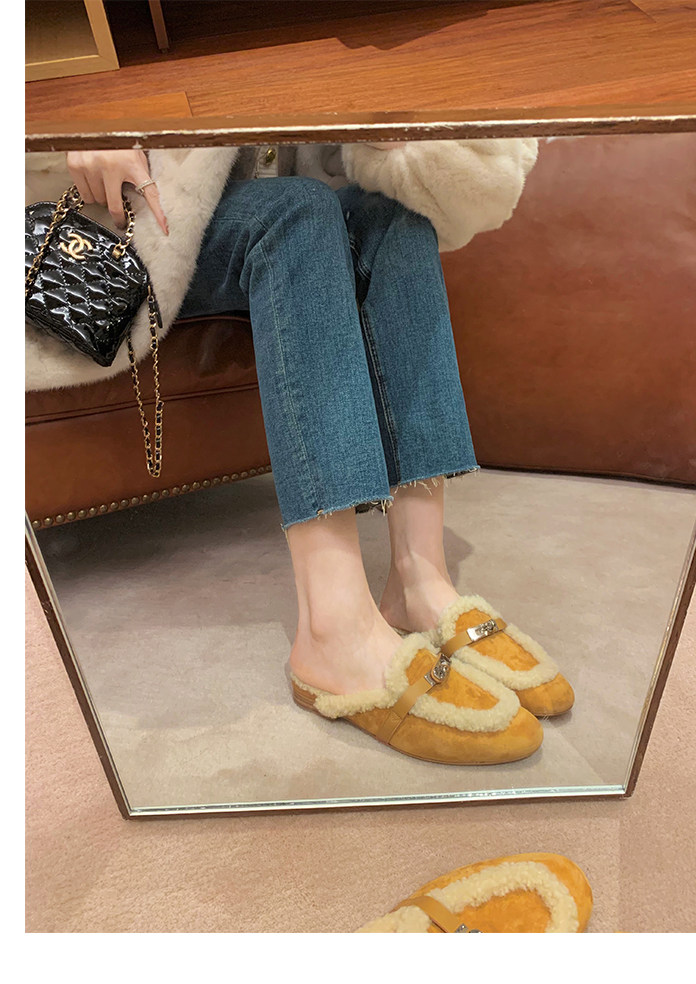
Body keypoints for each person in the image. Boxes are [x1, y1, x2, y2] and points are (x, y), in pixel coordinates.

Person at [28, 138, 573, 766]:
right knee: (298, 212)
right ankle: (332, 630)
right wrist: (85, 129)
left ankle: (421, 580)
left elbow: (477, 177)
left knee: (395, 219)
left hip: (280, 199)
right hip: (134, 222)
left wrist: (395, 133)